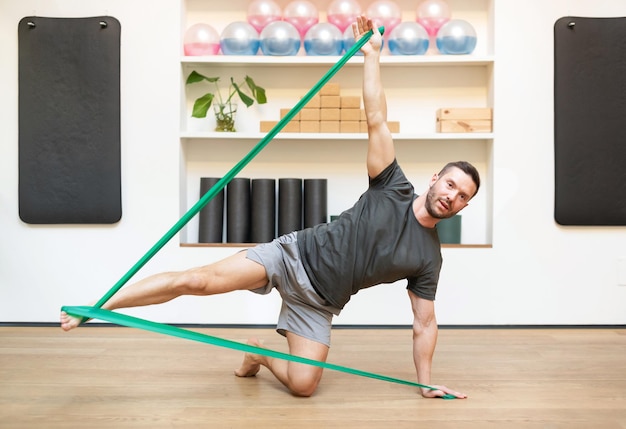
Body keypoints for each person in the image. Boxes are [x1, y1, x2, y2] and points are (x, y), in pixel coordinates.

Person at [61, 16, 478, 399]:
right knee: (197, 280)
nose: (451, 196)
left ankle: (258, 352)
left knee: (303, 386)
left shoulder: (428, 258)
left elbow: (424, 323)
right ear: (435, 178)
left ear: (461, 208)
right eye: (451, 184)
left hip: (320, 303)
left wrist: (425, 385)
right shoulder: (392, 184)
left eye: (462, 197)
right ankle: (98, 308)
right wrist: (371, 57)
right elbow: (376, 119)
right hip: (291, 255)